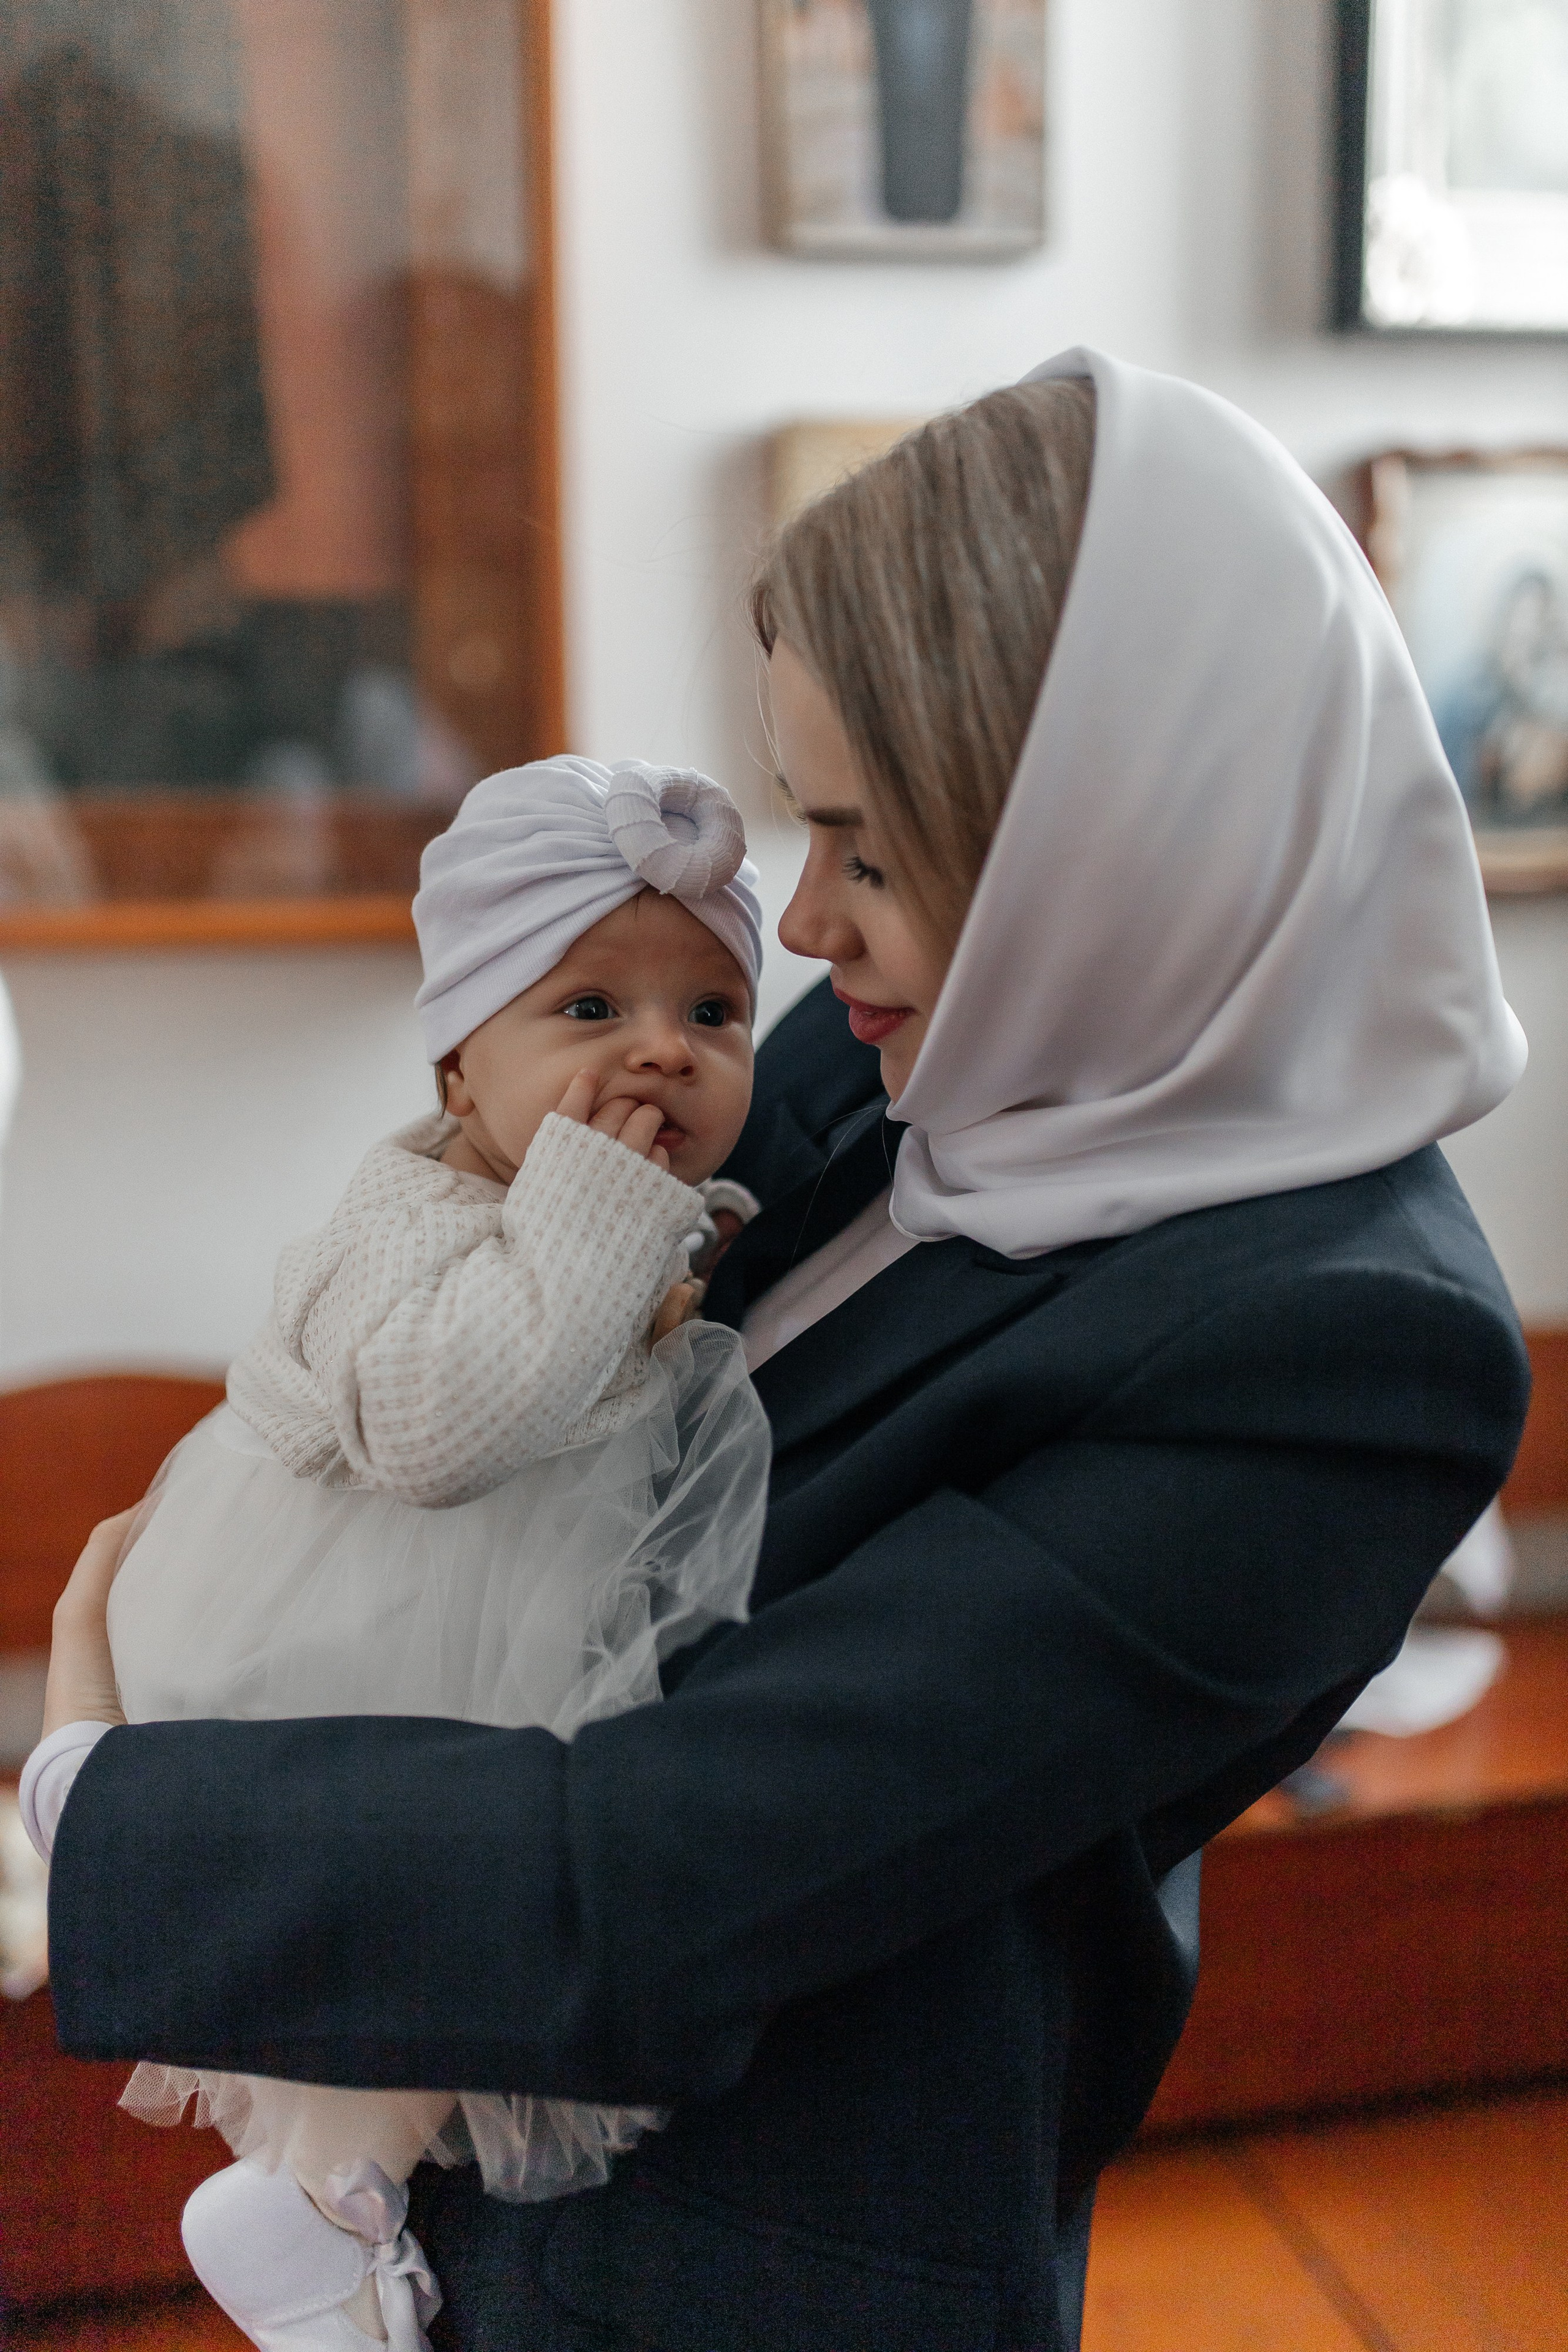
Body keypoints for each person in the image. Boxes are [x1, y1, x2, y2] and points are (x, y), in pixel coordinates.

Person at [30, 349, 1529, 2352]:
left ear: (1108, 841)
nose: (801, 925)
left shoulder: (1341, 1356)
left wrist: (95, 1798)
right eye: (800, 828)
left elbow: (683, 1851)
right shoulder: (972, 1034)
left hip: (737, 2260)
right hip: (491, 2113)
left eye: (872, 850)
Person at [51, 759, 773, 2350]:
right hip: (359, 1616)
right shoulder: (419, 1211)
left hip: (487, 1614)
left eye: (713, 1011)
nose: (660, 1047)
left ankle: (326, 2202)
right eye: (590, 1010)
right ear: (461, 1070)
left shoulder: (614, 1199)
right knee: (425, 1907)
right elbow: (447, 1434)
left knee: (464, 1929)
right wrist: (601, 1207)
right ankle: (319, 2205)